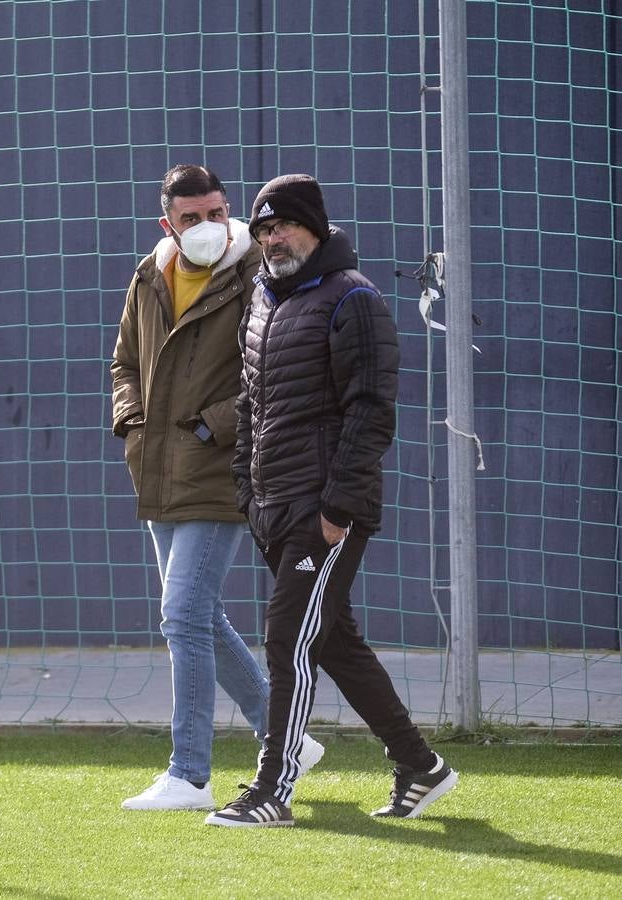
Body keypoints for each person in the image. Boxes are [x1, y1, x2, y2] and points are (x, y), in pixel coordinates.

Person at [205, 174, 458, 828]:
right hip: (273, 506)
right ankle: (421, 766)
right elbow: (250, 404)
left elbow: (371, 412)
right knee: (332, 640)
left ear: (315, 228)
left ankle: (272, 790)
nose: (272, 238)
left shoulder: (355, 299)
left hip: (325, 512)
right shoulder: (263, 300)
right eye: (262, 229)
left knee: (287, 636)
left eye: (283, 225)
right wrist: (247, 489)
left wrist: (337, 508)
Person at [111, 165, 323, 812]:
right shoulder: (149, 277)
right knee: (199, 615)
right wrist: (130, 419)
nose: (206, 227)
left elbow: (280, 367)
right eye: (190, 217)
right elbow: (124, 361)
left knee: (180, 616)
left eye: (216, 212)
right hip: (156, 469)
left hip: (223, 469)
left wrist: (212, 428)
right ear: (166, 223)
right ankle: (285, 734)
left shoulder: (257, 276)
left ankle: (189, 773)